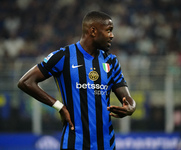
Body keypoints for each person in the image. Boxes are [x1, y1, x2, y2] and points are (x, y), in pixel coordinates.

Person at [18, 11, 136, 150]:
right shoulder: (64, 56)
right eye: (108, 30)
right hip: (74, 144)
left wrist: (131, 107)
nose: (112, 35)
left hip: (106, 144)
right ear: (93, 31)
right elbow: (25, 82)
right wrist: (59, 107)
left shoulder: (111, 61)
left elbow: (127, 99)